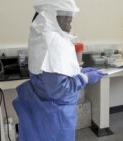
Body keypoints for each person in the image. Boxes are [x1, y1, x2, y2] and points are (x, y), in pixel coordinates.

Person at [12, 0, 105, 141]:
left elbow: (56, 74)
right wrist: (84, 78)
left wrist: (80, 71)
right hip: (56, 115)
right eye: (68, 21)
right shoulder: (54, 42)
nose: (70, 26)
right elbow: (58, 88)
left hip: (45, 111)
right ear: (53, 17)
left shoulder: (43, 37)